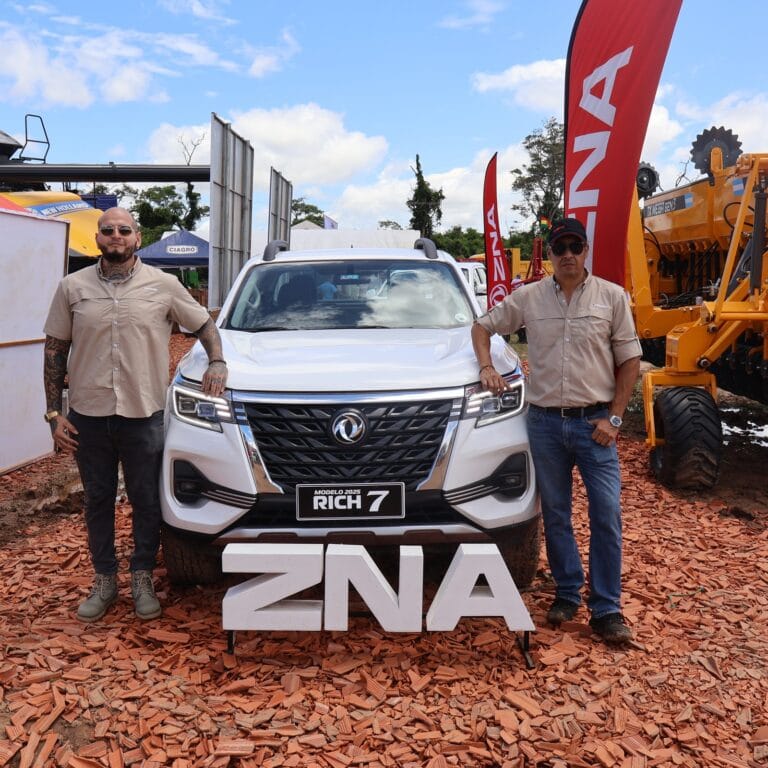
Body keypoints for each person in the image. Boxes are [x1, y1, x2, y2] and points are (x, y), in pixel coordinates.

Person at [43, 207, 228, 623]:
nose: (116, 236)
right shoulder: (72, 287)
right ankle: (105, 579)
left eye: (124, 230)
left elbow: (204, 326)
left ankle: (141, 575)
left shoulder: (164, 286)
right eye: (108, 231)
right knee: (97, 500)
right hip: (88, 415)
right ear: (98, 239)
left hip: (145, 414)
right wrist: (55, 413)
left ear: (137, 238)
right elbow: (54, 350)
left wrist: (217, 362)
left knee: (146, 500)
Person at [471, 218, 642, 645]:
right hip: (545, 424)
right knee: (557, 515)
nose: (568, 253)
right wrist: (486, 366)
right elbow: (481, 327)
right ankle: (567, 593)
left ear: (586, 250)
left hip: (595, 424)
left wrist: (615, 418)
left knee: (607, 515)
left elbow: (630, 361)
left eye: (575, 245)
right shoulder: (528, 298)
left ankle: (606, 608)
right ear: (549, 254)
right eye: (559, 246)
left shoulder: (612, 298)